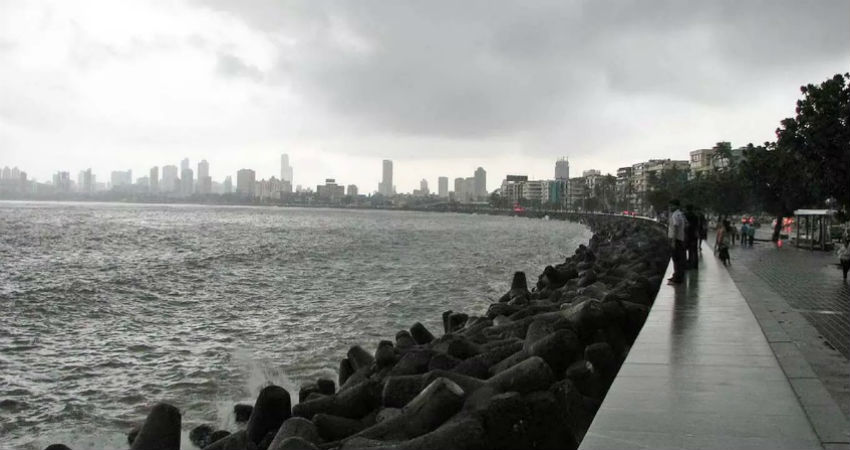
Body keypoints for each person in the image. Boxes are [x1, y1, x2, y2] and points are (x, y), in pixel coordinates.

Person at [667, 199, 687, 285]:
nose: (670, 207)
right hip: (681, 239)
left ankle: (677, 278)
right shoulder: (681, 214)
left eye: (672, 205)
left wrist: (673, 241)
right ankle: (678, 276)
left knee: (676, 259)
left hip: (676, 240)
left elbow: (675, 228)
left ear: (676, 206)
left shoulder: (675, 215)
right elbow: (687, 224)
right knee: (680, 259)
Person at [684, 204, 699, 269]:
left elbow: (684, 225)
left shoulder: (685, 215)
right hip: (694, 235)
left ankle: (688, 264)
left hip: (687, 234)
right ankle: (695, 264)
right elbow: (697, 226)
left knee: (685, 250)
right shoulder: (696, 216)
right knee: (694, 250)